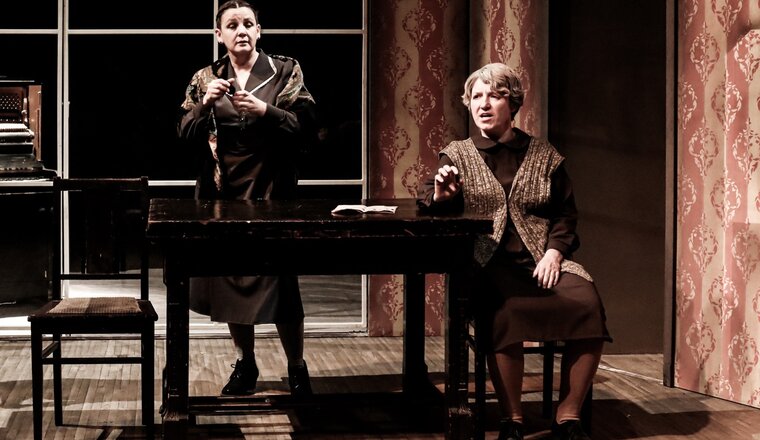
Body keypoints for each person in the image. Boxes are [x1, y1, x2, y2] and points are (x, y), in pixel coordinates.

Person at [418, 63, 611, 440]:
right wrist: (441, 196)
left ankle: (568, 416)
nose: (483, 104)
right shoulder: (457, 154)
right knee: (506, 309)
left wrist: (555, 253)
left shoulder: (543, 154)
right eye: (476, 96)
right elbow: (431, 200)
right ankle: (513, 419)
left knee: (587, 302)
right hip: (486, 264)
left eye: (495, 95)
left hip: (542, 260)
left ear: (513, 103)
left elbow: (565, 214)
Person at [178, 0, 317, 397]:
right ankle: (245, 363)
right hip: (224, 194)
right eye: (232, 25)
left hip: (272, 191)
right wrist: (204, 104)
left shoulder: (284, 71)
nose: (241, 30)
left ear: (259, 30)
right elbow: (184, 133)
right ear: (219, 34)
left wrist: (265, 110)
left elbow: (308, 128)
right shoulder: (206, 78)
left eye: (248, 24)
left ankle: (297, 366)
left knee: (281, 285)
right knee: (231, 282)